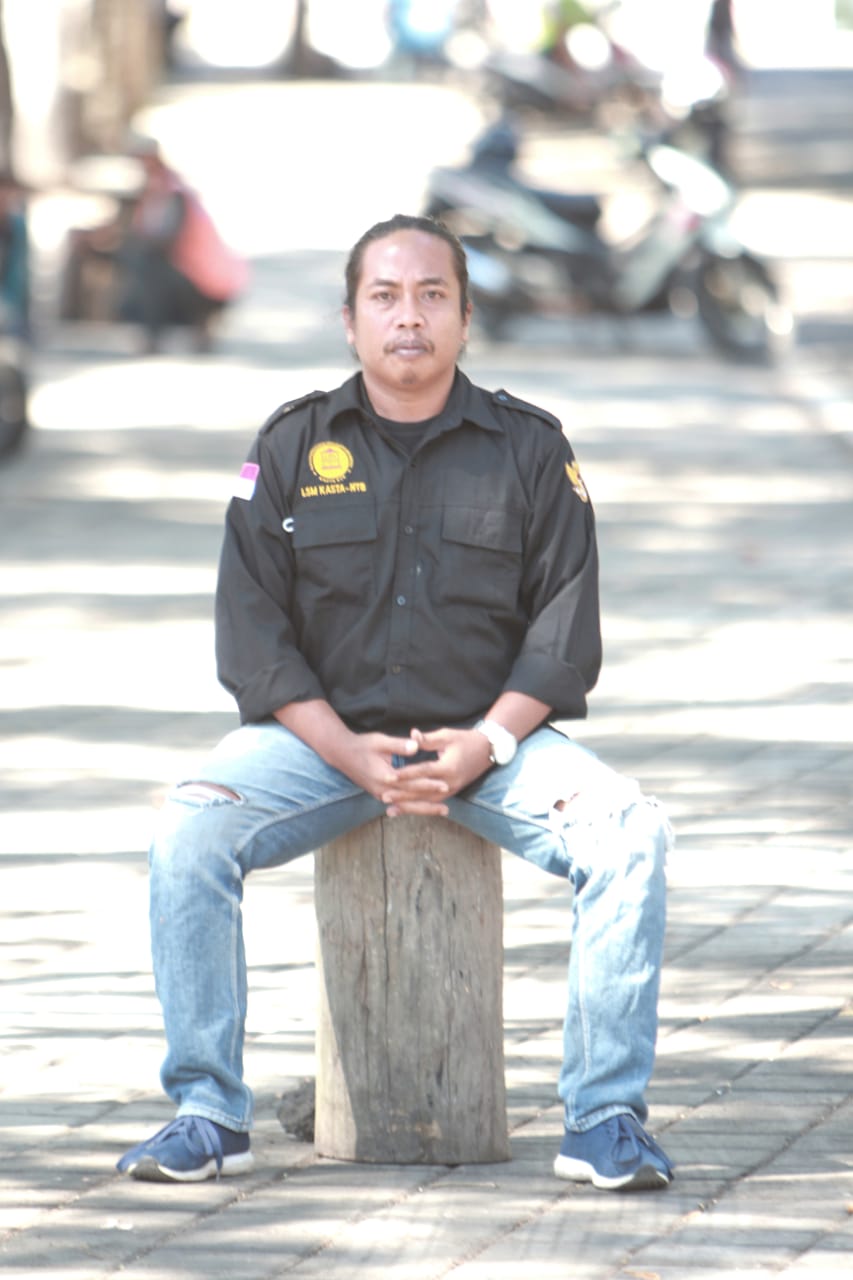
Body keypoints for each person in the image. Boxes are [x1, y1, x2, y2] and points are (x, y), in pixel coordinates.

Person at [117, 213, 674, 1191]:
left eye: (430, 296)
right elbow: (251, 635)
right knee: (189, 831)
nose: (407, 317)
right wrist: (344, 750)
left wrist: (484, 745)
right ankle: (206, 1110)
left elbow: (562, 635)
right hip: (321, 747)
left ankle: (603, 1119)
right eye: (384, 296)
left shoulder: (530, 448)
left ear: (464, 316)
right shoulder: (291, 444)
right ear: (350, 319)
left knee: (630, 834)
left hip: (492, 749)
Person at [117, 138, 247, 353]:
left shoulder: (173, 193)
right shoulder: (157, 188)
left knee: (147, 270)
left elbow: (167, 238)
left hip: (202, 277)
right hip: (191, 271)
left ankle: (156, 334)